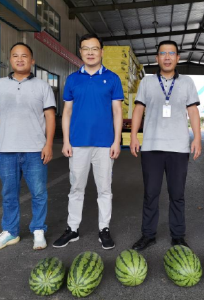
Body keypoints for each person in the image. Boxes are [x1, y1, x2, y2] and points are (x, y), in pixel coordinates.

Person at [0, 42, 56, 251]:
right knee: (9, 193)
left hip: (35, 149)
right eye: (15, 55)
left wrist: (48, 144)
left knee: (39, 192)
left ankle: (38, 229)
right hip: (7, 149)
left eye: (25, 56)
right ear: (11, 60)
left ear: (32, 61)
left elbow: (50, 116)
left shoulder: (42, 86)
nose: (20, 59)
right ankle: (11, 231)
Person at [52, 34, 123, 250]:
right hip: (78, 144)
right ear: (80, 52)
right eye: (85, 48)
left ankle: (104, 229)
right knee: (76, 188)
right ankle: (72, 229)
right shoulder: (73, 79)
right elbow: (67, 112)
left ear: (101, 51)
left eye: (94, 48)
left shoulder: (112, 78)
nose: (90, 52)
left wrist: (117, 141)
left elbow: (117, 112)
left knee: (104, 189)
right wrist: (66, 141)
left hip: (104, 144)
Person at [130, 40, 201, 251]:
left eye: (172, 53)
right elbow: (138, 110)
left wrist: (197, 137)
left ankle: (178, 236)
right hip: (151, 146)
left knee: (177, 194)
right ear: (157, 58)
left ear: (178, 58)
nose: (167, 57)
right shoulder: (147, 83)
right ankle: (148, 235)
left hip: (179, 148)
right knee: (151, 193)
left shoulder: (187, 82)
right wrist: (134, 136)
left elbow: (193, 112)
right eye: (163, 53)